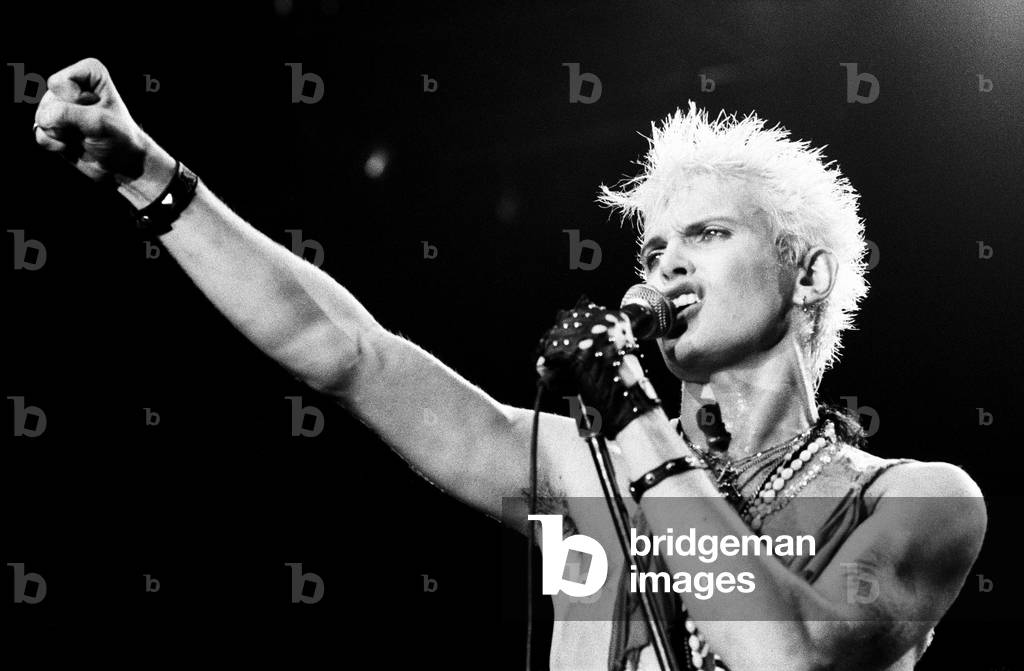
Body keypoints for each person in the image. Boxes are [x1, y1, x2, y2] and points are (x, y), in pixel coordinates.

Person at [33, 58, 986, 671]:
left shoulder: (921, 500)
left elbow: (794, 657)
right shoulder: (578, 466)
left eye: (707, 233)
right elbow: (352, 355)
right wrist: (146, 175)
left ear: (807, 273)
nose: (665, 266)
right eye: (652, 252)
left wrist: (627, 405)